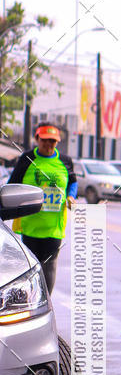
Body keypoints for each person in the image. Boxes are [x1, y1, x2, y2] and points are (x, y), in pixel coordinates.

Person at [8, 123, 77, 293]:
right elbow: (13, 184)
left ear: (58, 142)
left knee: (50, 264)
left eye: (53, 141)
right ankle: (33, 300)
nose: (49, 144)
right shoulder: (27, 159)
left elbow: (73, 182)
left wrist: (71, 196)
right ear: (37, 139)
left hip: (54, 226)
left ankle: (47, 301)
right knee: (32, 266)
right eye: (45, 140)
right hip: (30, 225)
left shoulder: (65, 161)